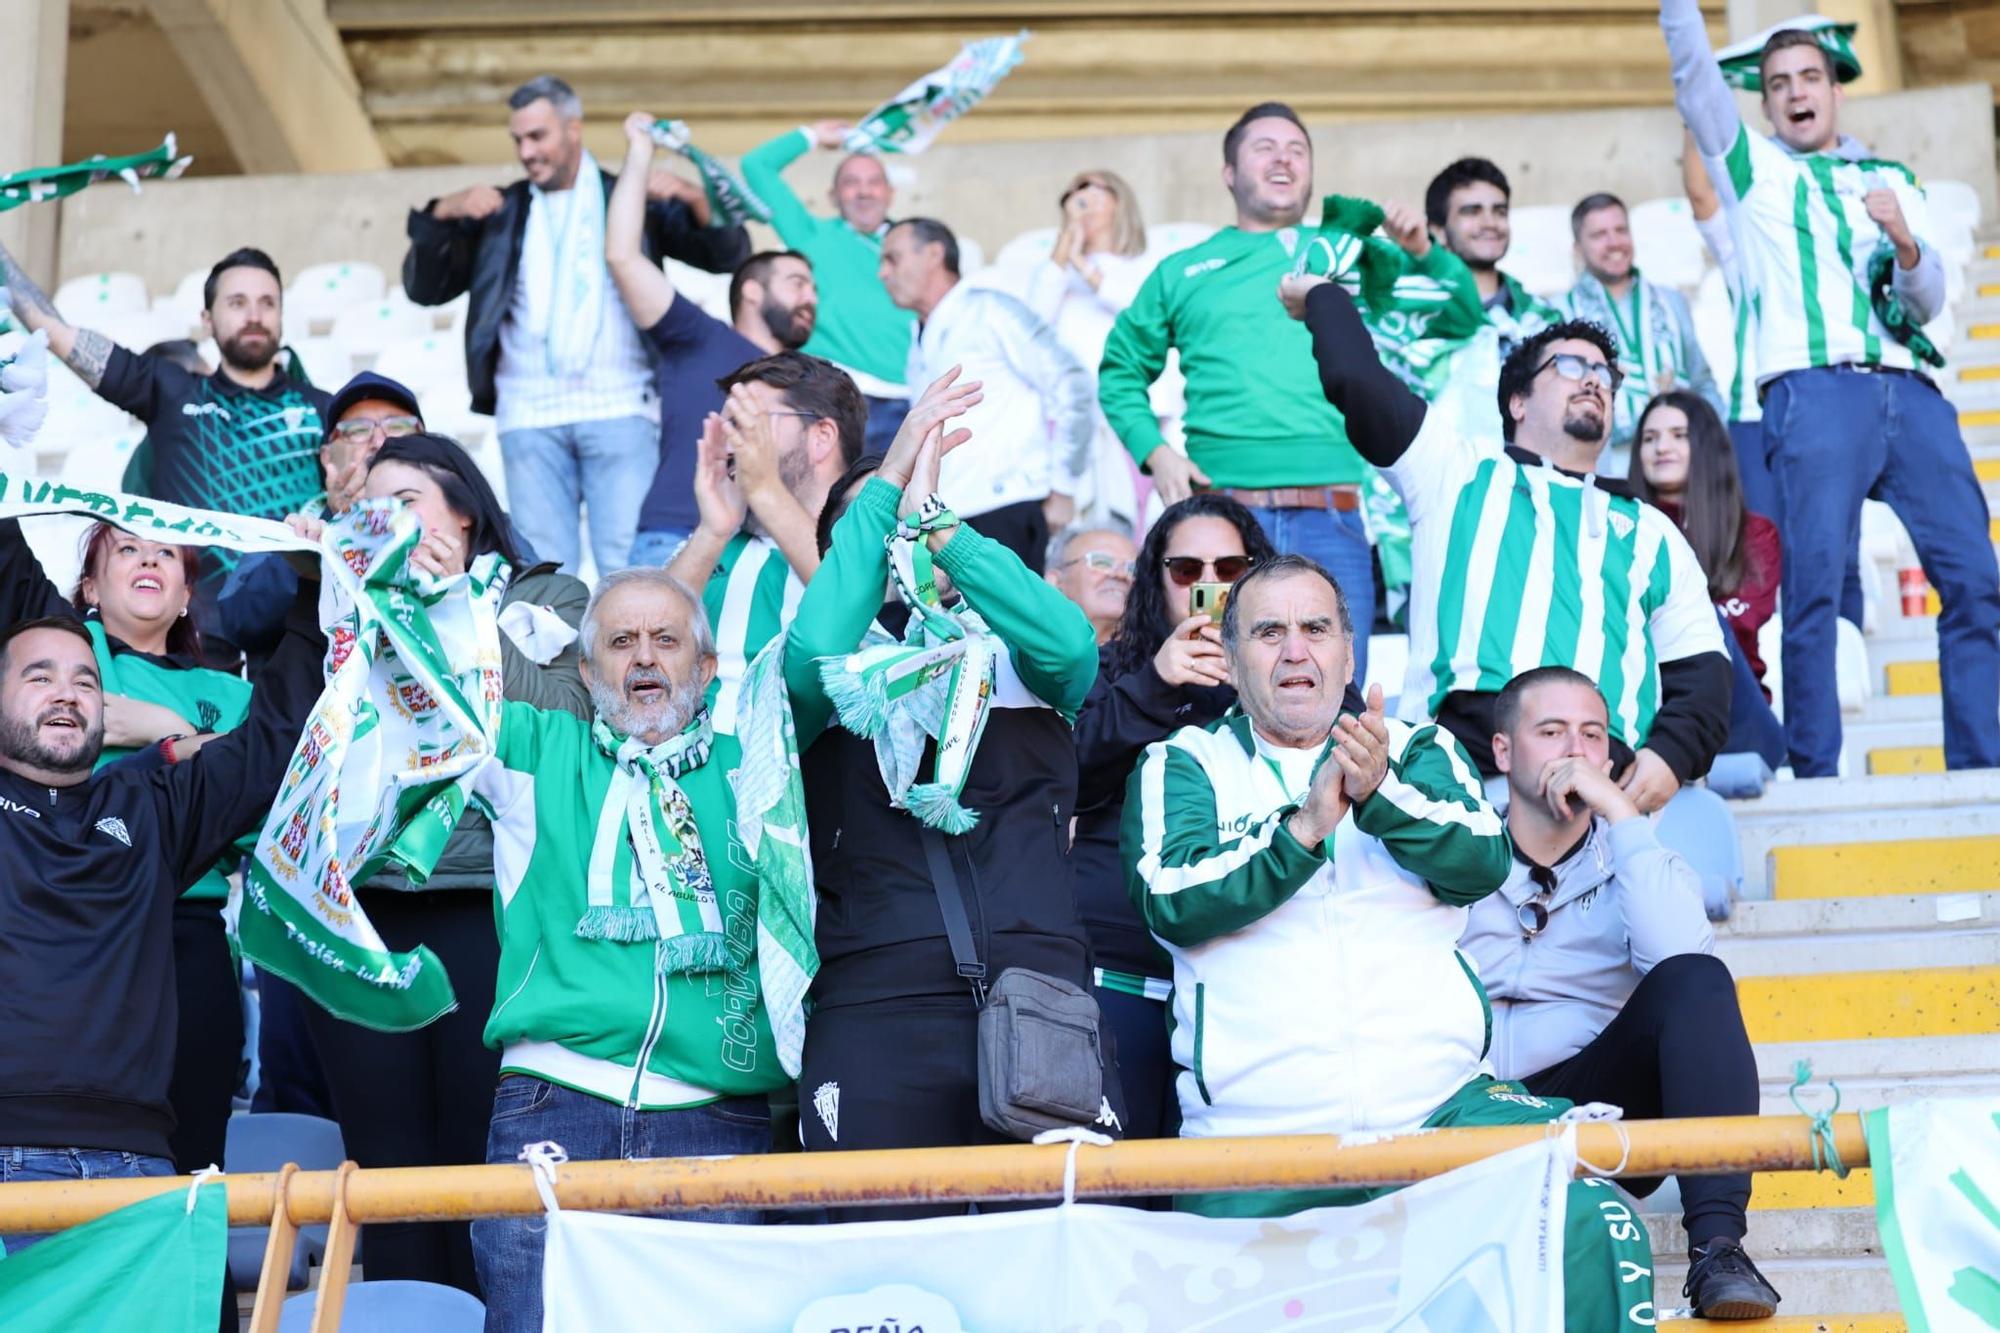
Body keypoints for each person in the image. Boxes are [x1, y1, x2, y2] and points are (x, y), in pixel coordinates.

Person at [1120, 555, 1651, 1330]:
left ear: (1348, 652)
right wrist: (1302, 831)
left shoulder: (1418, 748)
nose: (1295, 650)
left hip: (1438, 1113)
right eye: (1268, 632)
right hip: (1256, 1138)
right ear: (1231, 662)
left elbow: (1481, 860)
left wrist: (1378, 794)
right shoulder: (1181, 762)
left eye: (1315, 629)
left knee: (1593, 1221)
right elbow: (1170, 897)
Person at [782, 371, 1124, 1213]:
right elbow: (820, 643)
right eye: (879, 527)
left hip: (1039, 996)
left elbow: (1071, 643)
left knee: (1054, 1267)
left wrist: (942, 529)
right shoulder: (812, 676)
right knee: (884, 1269)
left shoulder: (1015, 660)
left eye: (912, 517)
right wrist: (890, 478)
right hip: (878, 1006)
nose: (899, 535)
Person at [1661, 2, 2000, 775]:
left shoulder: (1893, 177)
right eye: (1777, 82)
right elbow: (1694, 81)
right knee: (1814, 587)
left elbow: (1927, 299)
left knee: (1977, 580)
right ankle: (1816, 774)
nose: (1794, 91)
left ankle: (1982, 768)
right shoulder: (1753, 169)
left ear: (1837, 88)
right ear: (1766, 99)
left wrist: (1908, 243)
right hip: (1813, 392)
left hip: (1910, 390)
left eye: (1809, 76)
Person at [286, 432, 587, 1295]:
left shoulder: (542, 593)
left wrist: (456, 605)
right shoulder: (341, 603)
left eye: (408, 499)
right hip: (359, 908)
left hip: (483, 905)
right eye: (372, 505)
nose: (389, 521)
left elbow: (562, 718)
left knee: (478, 1158)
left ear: (463, 507)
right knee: (385, 1174)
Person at [461, 565, 798, 1332]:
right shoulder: (534, 749)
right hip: (553, 1103)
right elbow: (433, 697)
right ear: (587, 671)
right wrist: (374, 578)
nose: (644, 657)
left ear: (705, 668)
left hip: (715, 1117)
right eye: (621, 641)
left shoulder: (760, 772)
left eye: (666, 639)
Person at [1289, 275, 1731, 810]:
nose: (1593, 380)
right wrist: (1322, 296)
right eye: (1570, 367)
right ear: (1517, 400)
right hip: (1461, 784)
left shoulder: (1653, 531)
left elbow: (1703, 672)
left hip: (1599, 793)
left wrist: (1671, 754)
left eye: (1605, 374)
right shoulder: (1455, 471)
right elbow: (1356, 380)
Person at [0, 520, 323, 1237]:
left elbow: (273, 741)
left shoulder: (151, 808)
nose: (68, 692)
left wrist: (309, 588)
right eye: (39, 675)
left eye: (86, 679)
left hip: (138, 1163)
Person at [1461, 666, 1777, 1320]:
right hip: (1463, 1099)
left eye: (1591, 734)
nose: (1573, 751)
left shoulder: (1636, 854)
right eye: (1550, 731)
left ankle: (1719, 1250)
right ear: (1502, 750)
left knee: (1696, 978)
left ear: (1609, 755)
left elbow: (1681, 963)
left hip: (1592, 1104)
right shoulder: (1452, 846)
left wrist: (1622, 816)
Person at [400, 75, 751, 579]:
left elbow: (729, 256)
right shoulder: (501, 210)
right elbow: (422, 287)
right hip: (528, 411)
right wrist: (440, 213)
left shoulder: (629, 196)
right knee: (543, 573)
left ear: (573, 130)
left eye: (537, 136)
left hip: (620, 405)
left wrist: (697, 201)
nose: (526, 151)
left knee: (631, 570)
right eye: (518, 140)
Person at [1099, 103, 1378, 677]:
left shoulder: (1352, 257)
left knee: (1338, 692)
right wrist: (1155, 452)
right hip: (1219, 528)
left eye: (1297, 149)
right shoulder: (1184, 270)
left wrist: (1422, 250)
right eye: (1264, 147)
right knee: (1212, 685)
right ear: (1228, 173)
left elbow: (1452, 316)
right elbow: (1119, 370)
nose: (1283, 158)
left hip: (1333, 513)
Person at [1071, 495, 1276, 1145]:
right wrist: (1156, 684)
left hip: (1244, 991)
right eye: (1187, 569)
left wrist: (1258, 676)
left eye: (1231, 567)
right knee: (1109, 1199)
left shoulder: (1290, 671)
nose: (1210, 585)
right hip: (1117, 981)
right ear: (1154, 581)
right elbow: (1063, 776)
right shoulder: (1112, 669)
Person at [1, 243, 332, 634]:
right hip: (192, 641)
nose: (255, 316)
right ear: (207, 319)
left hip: (299, 631)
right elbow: (54, 331)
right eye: (237, 303)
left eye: (267, 303)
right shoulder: (172, 390)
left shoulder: (323, 409)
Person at [607, 112, 820, 567]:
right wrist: (641, 154)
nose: (811, 298)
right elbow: (623, 255)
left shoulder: (811, 379)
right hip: (675, 537)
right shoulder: (697, 335)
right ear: (752, 290)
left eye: (814, 289)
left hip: (772, 551)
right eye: (797, 283)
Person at [665, 352, 867, 733]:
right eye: (725, 429)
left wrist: (765, 491)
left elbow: (860, 619)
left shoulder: (868, 531)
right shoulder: (712, 540)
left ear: (821, 436)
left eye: (749, 424)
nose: (729, 445)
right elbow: (648, 626)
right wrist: (712, 531)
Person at [880, 216, 1091, 573]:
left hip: (1007, 507)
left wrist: (1064, 489)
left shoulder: (989, 309)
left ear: (934, 254)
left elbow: (1074, 384)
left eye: (892, 259)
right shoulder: (918, 339)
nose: (882, 273)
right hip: (948, 519)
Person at [1630, 392, 1786, 771]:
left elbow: (1739, 622)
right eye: (1649, 438)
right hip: (1642, 707)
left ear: (1705, 446)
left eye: (1678, 435)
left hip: (1732, 717)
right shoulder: (1620, 527)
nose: (1661, 447)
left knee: (1703, 626)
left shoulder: (1754, 535)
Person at [740, 120, 914, 449]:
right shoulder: (811, 235)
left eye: (874, 182)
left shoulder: (914, 243)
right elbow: (756, 166)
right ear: (833, 196)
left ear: (890, 193)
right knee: (841, 501)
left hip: (915, 398)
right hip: (843, 399)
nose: (864, 191)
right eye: (851, 183)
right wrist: (814, 136)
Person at [1026, 171, 1158, 527]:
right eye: (1076, 193)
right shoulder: (1053, 273)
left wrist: (1083, 262)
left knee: (1134, 523)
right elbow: (1031, 323)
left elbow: (1138, 312)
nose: (1084, 200)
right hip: (1069, 420)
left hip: (1125, 418)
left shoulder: (1144, 267)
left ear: (1120, 202)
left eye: (1097, 191)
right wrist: (1067, 243)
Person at [1561, 192, 1724, 450]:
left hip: (1679, 459)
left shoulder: (1670, 301)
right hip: (1605, 465)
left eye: (1620, 230)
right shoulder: (1561, 312)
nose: (1614, 242)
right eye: (1599, 235)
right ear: (1577, 249)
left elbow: (1701, 382)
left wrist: (1716, 446)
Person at [1426, 156, 1560, 356]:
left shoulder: (1541, 316)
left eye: (1500, 212)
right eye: (1472, 212)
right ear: (1438, 232)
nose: (1490, 223)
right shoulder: (1416, 315)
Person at [1045, 523, 1139, 645]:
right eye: (1101, 562)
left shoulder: (1161, 658)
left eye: (1133, 569)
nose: (1121, 575)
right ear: (1056, 582)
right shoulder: (1023, 655)